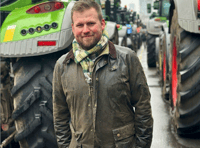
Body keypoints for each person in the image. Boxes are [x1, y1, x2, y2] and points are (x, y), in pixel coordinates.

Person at [52, 0, 153, 148]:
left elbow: (143, 107)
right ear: (73, 28)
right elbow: (59, 116)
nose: (85, 30)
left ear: (102, 24)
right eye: (80, 25)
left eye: (91, 23)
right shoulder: (62, 66)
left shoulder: (127, 58)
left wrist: (141, 145)